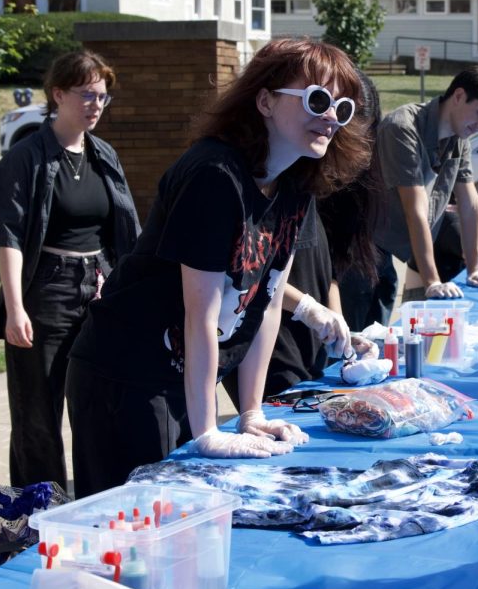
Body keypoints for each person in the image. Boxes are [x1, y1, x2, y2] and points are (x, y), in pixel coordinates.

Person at [65, 38, 371, 496]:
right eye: (317, 99)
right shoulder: (215, 175)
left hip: (182, 377)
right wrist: (207, 430)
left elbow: (264, 302)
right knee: (131, 530)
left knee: (184, 522)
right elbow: (201, 315)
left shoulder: (295, 184)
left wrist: (252, 413)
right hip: (125, 374)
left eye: (341, 107)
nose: (330, 116)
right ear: (265, 101)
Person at [0, 50, 140, 490]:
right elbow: (8, 237)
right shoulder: (26, 158)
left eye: (103, 97)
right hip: (47, 293)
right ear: (58, 94)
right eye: (87, 95)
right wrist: (14, 308)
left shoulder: (103, 155)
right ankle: (37, 513)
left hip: (98, 290)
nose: (96, 105)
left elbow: (123, 232)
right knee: (37, 415)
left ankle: (92, 502)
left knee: (98, 406)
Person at [223, 72, 384, 401]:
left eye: (345, 115)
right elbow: (250, 274)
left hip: (301, 333)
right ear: (265, 101)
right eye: (319, 104)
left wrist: (335, 323)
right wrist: (308, 308)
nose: (333, 124)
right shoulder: (226, 174)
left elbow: (328, 268)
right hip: (268, 333)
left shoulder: (307, 175)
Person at [348, 65, 478, 326]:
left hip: (389, 252)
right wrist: (432, 281)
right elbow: (416, 209)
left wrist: (475, 269)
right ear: (458, 96)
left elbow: (470, 204)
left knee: (378, 337)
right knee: (350, 338)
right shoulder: (403, 128)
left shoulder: (460, 138)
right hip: (359, 249)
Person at [402, 174, 478, 298]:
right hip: (421, 296)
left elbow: (473, 243)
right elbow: (472, 250)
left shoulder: (456, 218)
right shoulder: (452, 221)